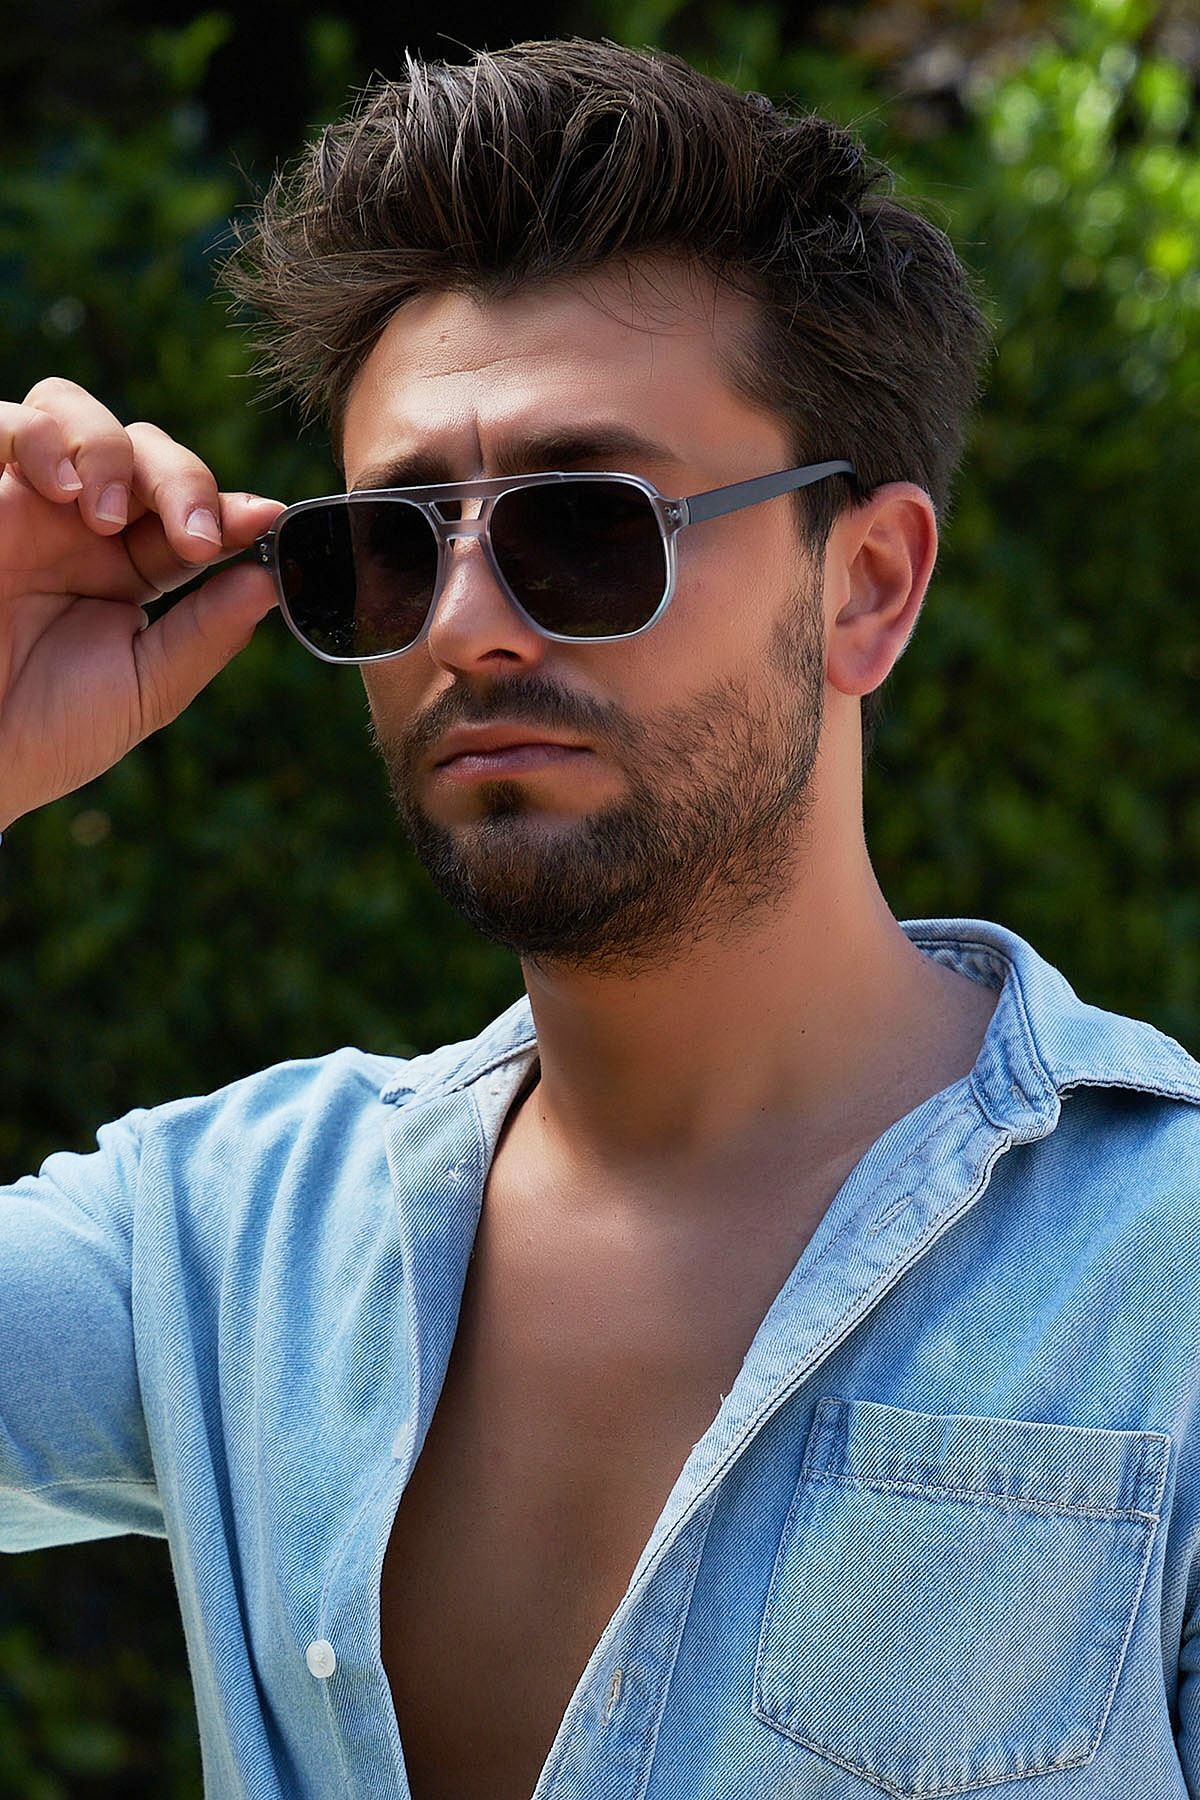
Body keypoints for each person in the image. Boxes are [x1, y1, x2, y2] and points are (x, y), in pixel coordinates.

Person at [1, 34, 1197, 1800]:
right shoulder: (225, 1242)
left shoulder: (1162, 1268)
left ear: (867, 585)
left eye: (584, 530)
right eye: (392, 545)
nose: (466, 623)